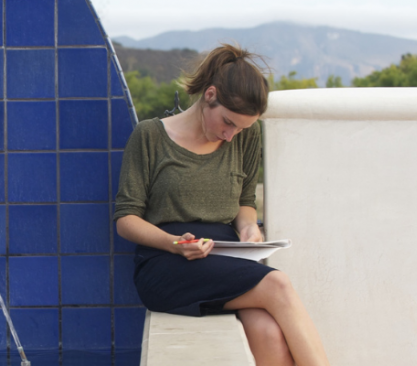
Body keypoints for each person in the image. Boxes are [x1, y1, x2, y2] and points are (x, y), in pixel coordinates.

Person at [114, 44, 330, 366]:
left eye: (240, 128)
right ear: (210, 95)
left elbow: (245, 202)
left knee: (268, 331)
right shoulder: (150, 136)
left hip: (225, 256)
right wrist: (175, 244)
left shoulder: (246, 136)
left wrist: (248, 229)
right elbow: (126, 219)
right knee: (278, 283)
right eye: (228, 123)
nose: (231, 136)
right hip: (166, 262)